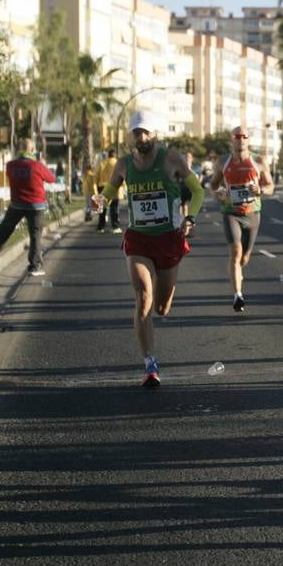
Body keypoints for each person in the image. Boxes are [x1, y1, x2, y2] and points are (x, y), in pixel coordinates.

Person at [92, 111, 205, 388]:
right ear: (131, 136)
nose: (141, 138)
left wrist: (190, 218)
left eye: (145, 133)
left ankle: (158, 307)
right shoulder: (123, 164)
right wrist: (100, 201)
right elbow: (108, 193)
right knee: (143, 297)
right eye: (136, 133)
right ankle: (149, 364)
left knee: (162, 307)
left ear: (154, 134)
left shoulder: (171, 159)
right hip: (139, 239)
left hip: (168, 238)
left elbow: (199, 191)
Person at [210, 126, 275, 312]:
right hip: (231, 212)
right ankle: (237, 295)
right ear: (232, 139)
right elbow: (213, 185)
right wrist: (218, 194)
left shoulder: (258, 161)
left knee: (244, 257)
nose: (240, 139)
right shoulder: (223, 161)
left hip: (253, 214)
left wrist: (261, 190)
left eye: (244, 136)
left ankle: (238, 273)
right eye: (237, 136)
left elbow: (270, 186)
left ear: (248, 139)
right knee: (236, 252)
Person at [0, 137, 57, 276]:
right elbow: (52, 178)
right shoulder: (37, 166)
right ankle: (34, 266)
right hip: (36, 205)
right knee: (35, 235)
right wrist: (42, 164)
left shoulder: (10, 165)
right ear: (32, 150)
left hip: (17, 204)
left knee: (5, 228)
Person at [95, 148, 121, 234]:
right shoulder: (117, 163)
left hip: (102, 187)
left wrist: (96, 186)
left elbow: (96, 175)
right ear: (114, 154)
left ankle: (100, 227)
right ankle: (115, 227)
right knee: (114, 208)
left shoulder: (102, 163)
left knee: (102, 208)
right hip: (114, 187)